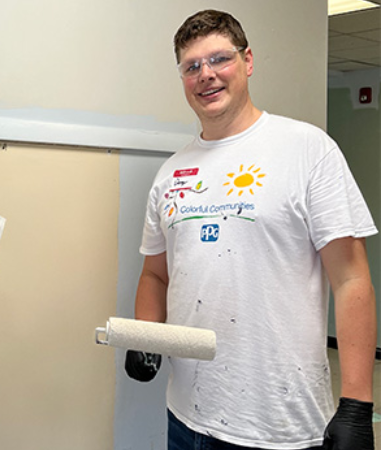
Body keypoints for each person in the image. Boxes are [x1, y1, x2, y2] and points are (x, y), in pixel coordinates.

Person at [124, 9, 377, 450]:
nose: (206, 75)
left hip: (280, 424)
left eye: (219, 59)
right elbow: (156, 274)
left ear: (248, 61)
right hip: (187, 416)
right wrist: (147, 334)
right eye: (192, 66)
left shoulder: (307, 149)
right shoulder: (171, 173)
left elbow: (352, 277)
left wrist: (356, 403)